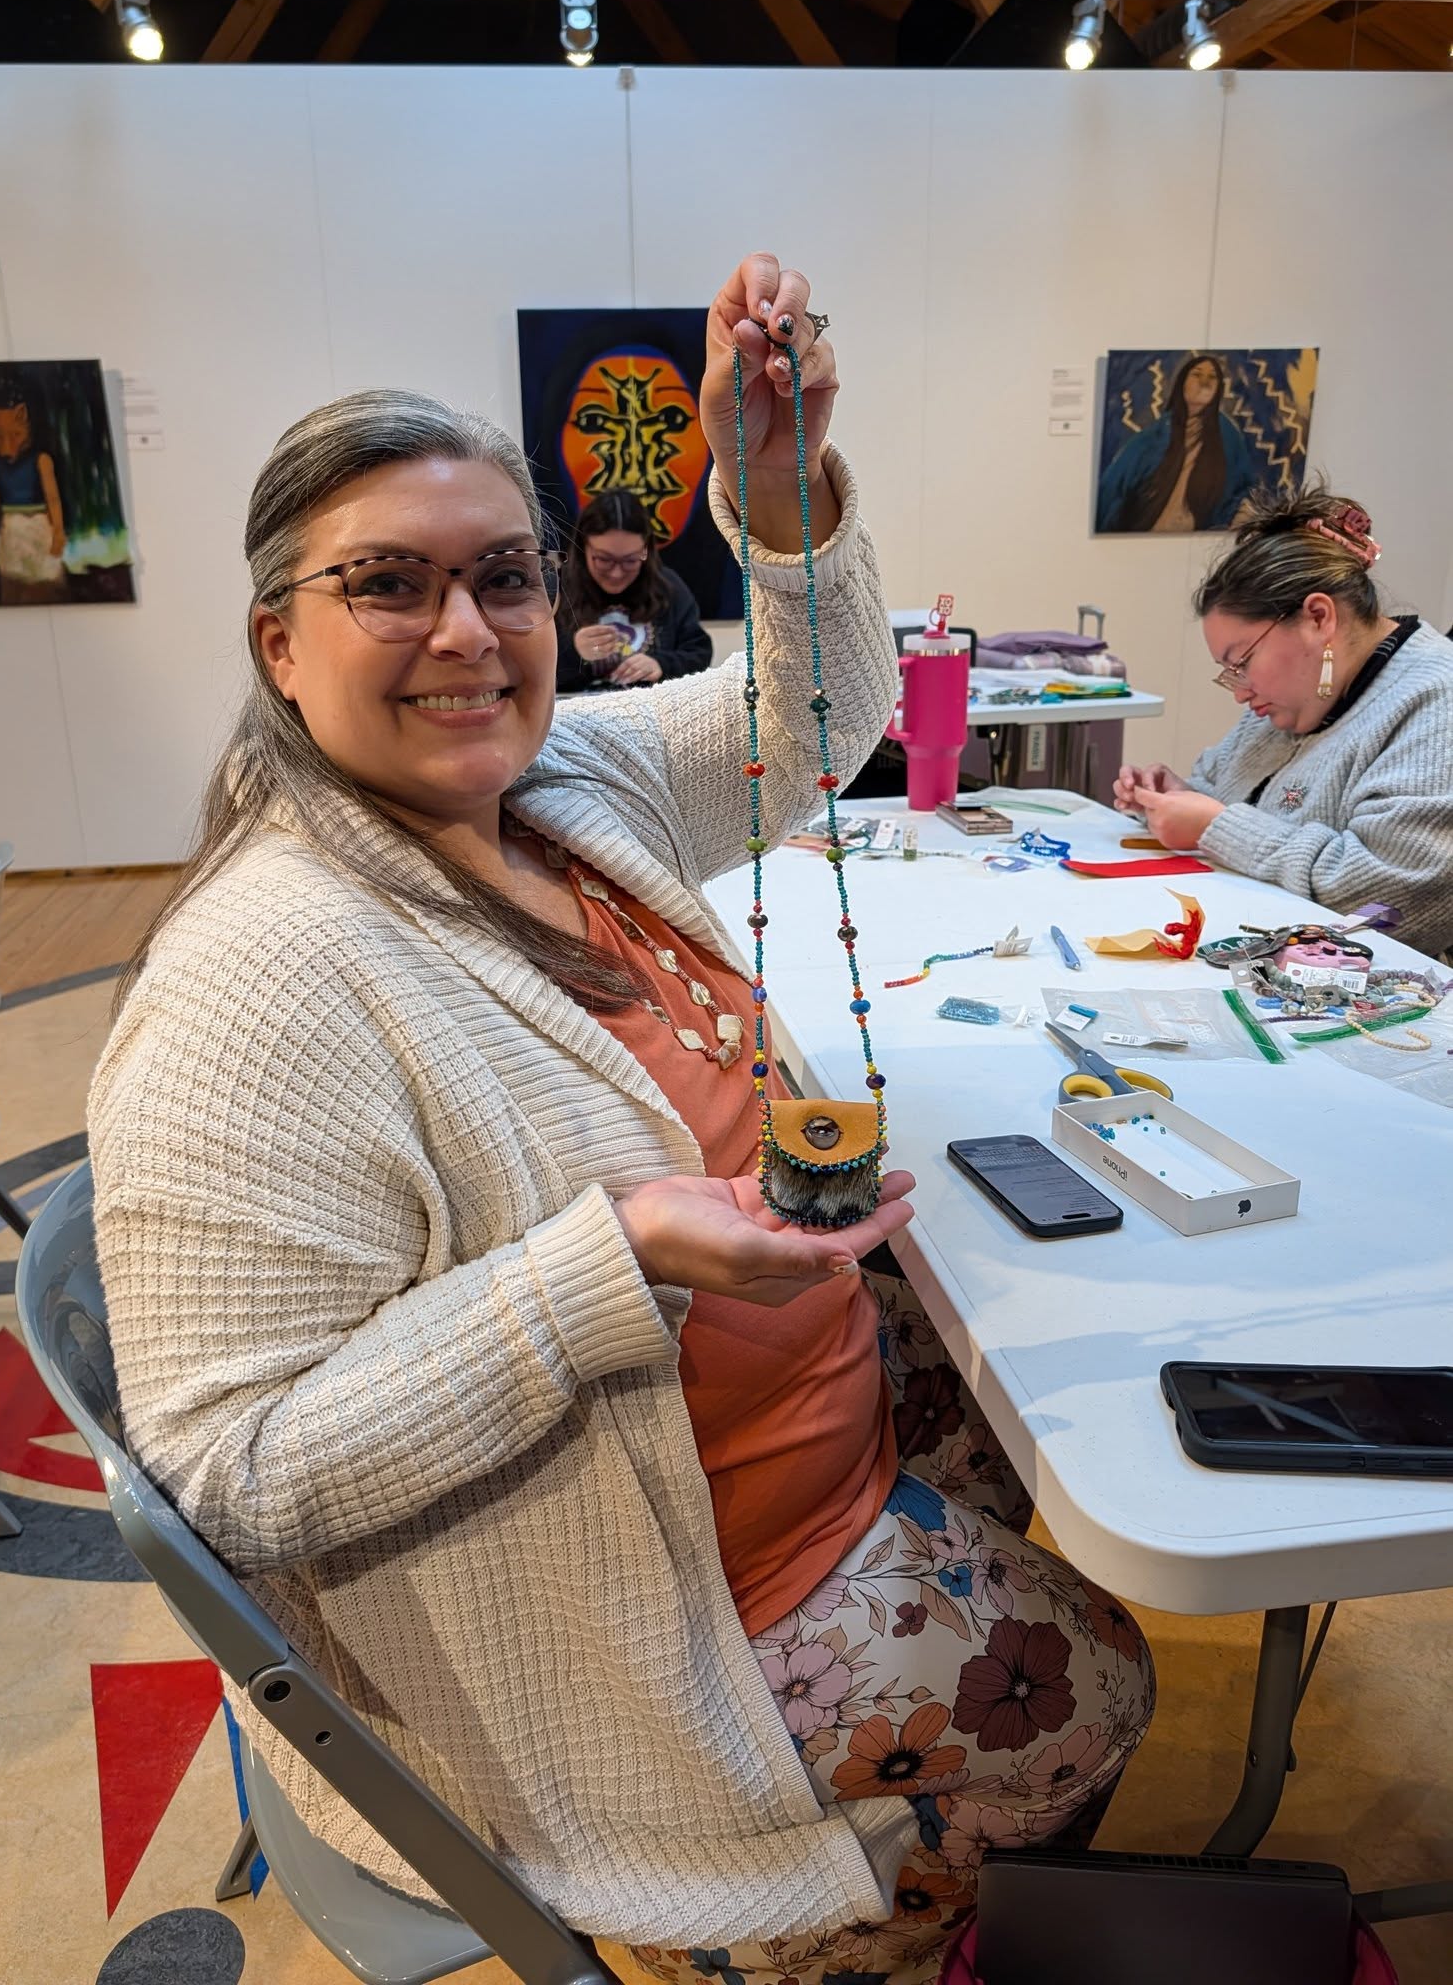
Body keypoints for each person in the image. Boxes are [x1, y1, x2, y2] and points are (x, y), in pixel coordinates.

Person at [90, 252, 1153, 1984]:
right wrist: (621, 1256)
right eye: (388, 584)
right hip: (618, 1597)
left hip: (745, 1434)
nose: (464, 630)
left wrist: (781, 481)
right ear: (278, 640)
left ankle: (908, 1870)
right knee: (1096, 1679)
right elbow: (236, 1474)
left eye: (500, 576)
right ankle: (816, 1925)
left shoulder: (556, 778)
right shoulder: (254, 982)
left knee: (1052, 1429)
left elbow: (818, 717)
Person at [1116, 485, 1453, 957]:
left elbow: (1392, 902)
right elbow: (1230, 798)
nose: (1240, 690)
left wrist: (1215, 826)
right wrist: (1179, 797)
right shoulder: (1296, 697)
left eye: (1243, 661)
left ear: (1318, 617)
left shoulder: (1436, 700)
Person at [556, 486, 714, 693]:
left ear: (646, 549)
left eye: (630, 560)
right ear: (583, 547)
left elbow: (699, 652)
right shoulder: (556, 588)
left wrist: (662, 665)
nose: (616, 573)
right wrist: (574, 652)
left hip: (653, 714)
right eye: (604, 559)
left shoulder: (667, 586)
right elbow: (532, 673)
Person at [1096, 353, 1256, 535]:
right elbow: (1115, 485)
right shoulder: (1156, 434)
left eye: (1212, 377)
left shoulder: (1227, 434)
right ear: (1182, 383)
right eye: (1197, 374)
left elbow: (1245, 485)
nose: (1205, 381)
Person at [0, 368, 68, 603]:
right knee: (12, 589)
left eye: (15, 434)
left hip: (40, 530)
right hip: (11, 534)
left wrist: (57, 531)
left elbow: (53, 499)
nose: (6, 449)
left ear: (26, 416)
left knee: (48, 588)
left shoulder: (42, 461)